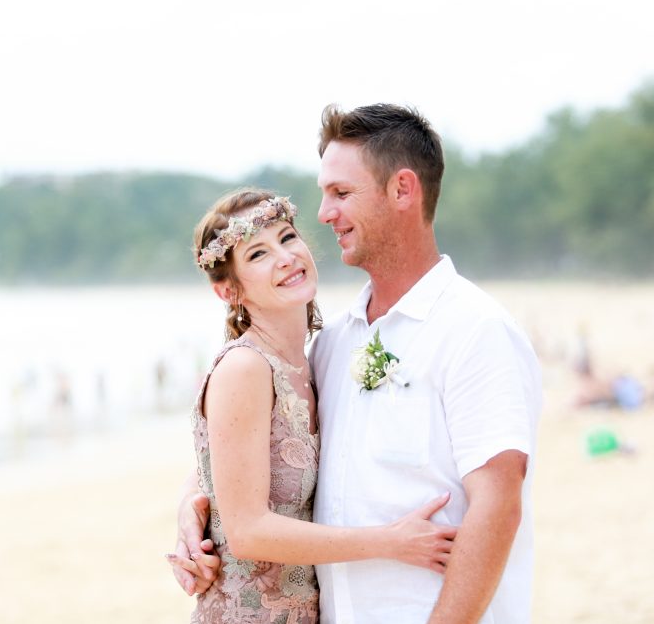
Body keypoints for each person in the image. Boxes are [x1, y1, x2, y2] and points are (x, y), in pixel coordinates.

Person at [176, 105, 543, 623]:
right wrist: (192, 509)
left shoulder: (475, 331)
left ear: (402, 190)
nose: (323, 214)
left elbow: (499, 505)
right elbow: (253, 456)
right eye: (324, 194)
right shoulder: (333, 344)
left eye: (341, 193)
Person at [174, 188, 457, 624]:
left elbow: (222, 460)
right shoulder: (245, 368)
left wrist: (191, 500)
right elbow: (247, 533)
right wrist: (392, 542)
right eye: (258, 255)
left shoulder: (317, 357)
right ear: (228, 291)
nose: (285, 257)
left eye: (287, 238)